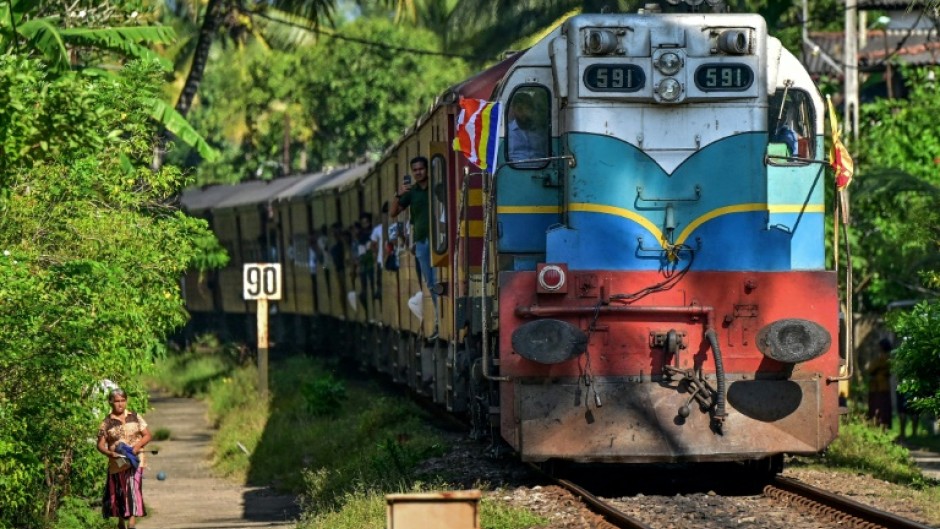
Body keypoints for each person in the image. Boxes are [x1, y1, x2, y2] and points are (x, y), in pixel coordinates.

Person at [390, 156, 438, 339]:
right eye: (415, 170)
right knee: (432, 284)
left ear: (427, 169)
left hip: (439, 240)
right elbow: (394, 212)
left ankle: (441, 321)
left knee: (440, 283)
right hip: (422, 242)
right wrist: (398, 194)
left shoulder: (436, 186)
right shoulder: (412, 192)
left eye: (421, 169)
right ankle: (438, 321)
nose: (418, 173)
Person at [97, 388, 152, 529]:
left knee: (133, 488)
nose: (120, 404)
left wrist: (137, 446)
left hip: (136, 460)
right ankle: (121, 521)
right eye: (116, 401)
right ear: (110, 402)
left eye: (123, 401)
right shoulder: (106, 423)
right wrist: (110, 454)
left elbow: (147, 435)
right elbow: (100, 445)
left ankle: (132, 522)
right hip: (118, 462)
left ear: (126, 401)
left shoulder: (135, 416)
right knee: (120, 491)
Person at [507, 92, 548, 163]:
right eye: (520, 109)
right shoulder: (507, 131)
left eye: (527, 108)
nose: (524, 113)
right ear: (513, 110)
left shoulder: (541, 132)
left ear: (532, 110)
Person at [866, 338, 893, 429]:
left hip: (879, 388)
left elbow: (870, 368)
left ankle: (879, 426)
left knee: (879, 408)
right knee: (883, 408)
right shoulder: (889, 358)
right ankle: (882, 426)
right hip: (882, 387)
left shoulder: (882, 358)